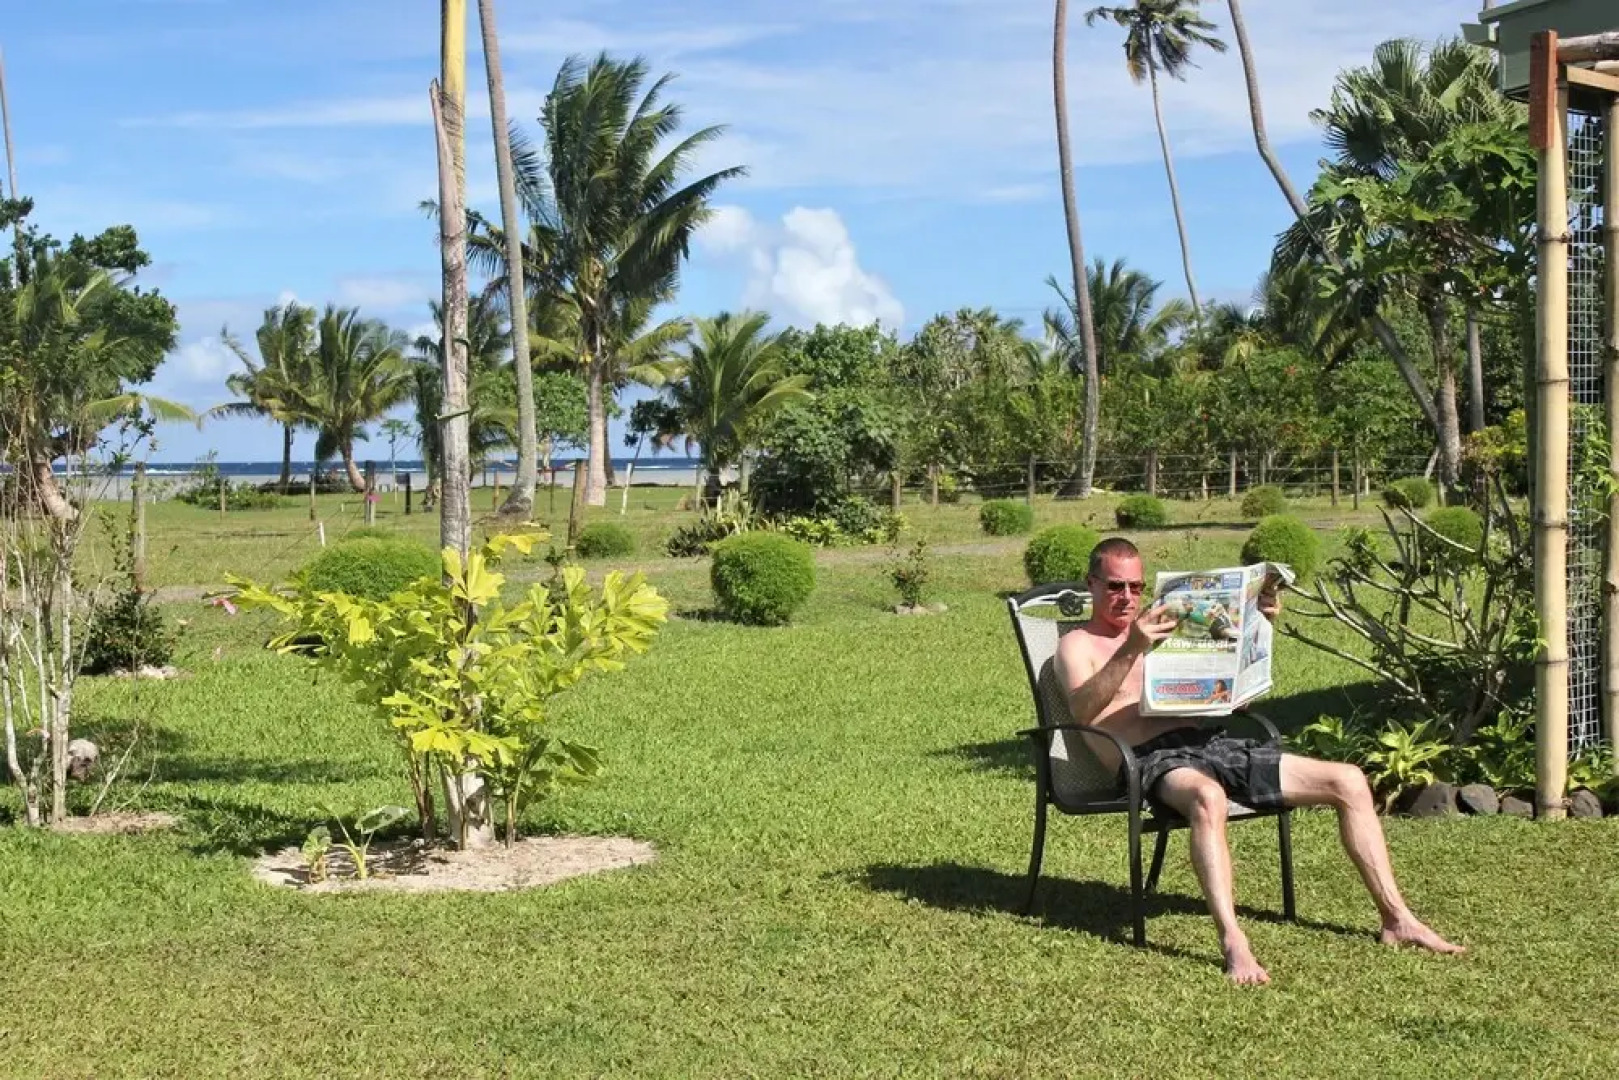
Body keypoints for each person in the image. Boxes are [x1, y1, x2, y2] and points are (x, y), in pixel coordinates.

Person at [1052, 537, 1463, 985]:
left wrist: (1256, 629)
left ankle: (1397, 918)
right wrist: (1132, 647)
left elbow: (1232, 698)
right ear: (1091, 584)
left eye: (1136, 586)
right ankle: (1233, 940)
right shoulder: (1077, 645)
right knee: (1208, 798)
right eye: (1115, 586)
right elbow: (1081, 711)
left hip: (1209, 741)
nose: (1128, 597)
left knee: (1348, 780)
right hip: (1148, 759)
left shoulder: (1170, 624)